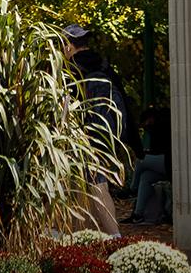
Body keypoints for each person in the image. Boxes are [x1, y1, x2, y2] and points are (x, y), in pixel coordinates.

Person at [63, 25, 121, 237]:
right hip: (106, 138)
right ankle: (84, 241)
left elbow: (66, 109)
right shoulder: (104, 67)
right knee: (82, 189)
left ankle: (116, 240)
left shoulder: (71, 71)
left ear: (68, 46)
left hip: (82, 139)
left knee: (97, 186)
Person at [123, 107, 173, 226]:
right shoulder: (163, 122)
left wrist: (144, 153)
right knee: (146, 177)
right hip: (167, 163)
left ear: (150, 120)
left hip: (169, 161)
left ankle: (133, 189)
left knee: (140, 161)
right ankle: (138, 214)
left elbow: (156, 150)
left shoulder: (159, 126)